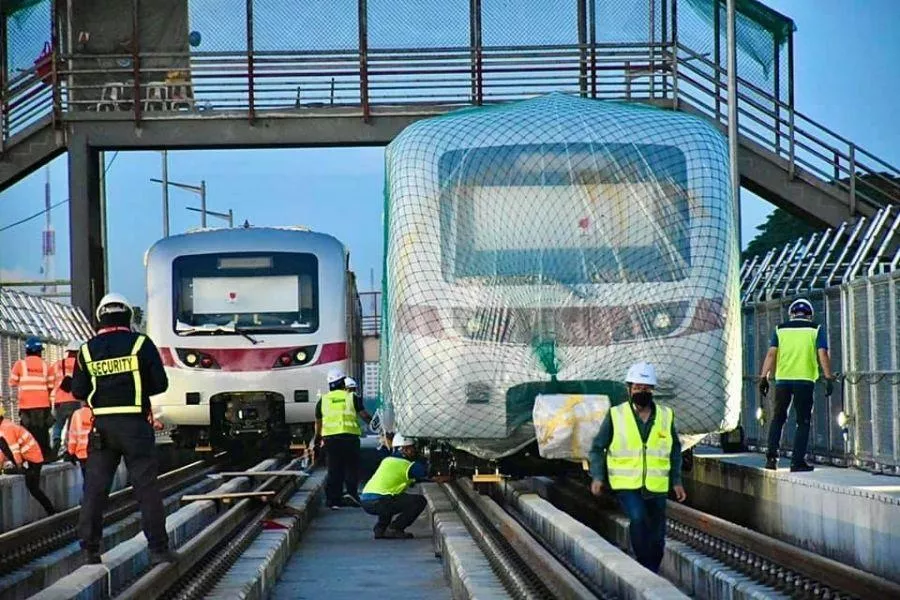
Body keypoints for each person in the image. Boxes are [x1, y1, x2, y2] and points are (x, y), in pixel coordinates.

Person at [70, 292, 173, 565]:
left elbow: (78, 389)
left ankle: (90, 550)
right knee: (146, 488)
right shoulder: (141, 343)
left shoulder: (86, 350)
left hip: (101, 428)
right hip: (135, 426)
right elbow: (160, 384)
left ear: (100, 318)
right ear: (128, 316)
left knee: (95, 489)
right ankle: (159, 550)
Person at [588, 361, 686, 574]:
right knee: (638, 518)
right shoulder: (616, 415)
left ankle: (653, 566)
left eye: (646, 388)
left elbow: (675, 450)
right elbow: (597, 447)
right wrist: (597, 476)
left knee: (658, 536)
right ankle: (645, 568)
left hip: (657, 486)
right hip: (626, 485)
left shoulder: (665, 416)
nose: (642, 392)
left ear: (652, 390)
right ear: (629, 389)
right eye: (637, 388)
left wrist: (676, 481)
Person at [758, 298, 834, 472]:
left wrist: (764, 377)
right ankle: (797, 461)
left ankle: (771, 458)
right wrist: (829, 377)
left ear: (791, 314)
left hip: (783, 381)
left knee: (778, 418)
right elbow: (822, 354)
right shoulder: (815, 329)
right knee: (803, 421)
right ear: (810, 315)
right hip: (805, 380)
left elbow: (771, 355)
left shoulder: (780, 330)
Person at [314, 368, 372, 509]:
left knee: (334, 469)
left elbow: (318, 423)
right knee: (351, 467)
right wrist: (375, 425)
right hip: (350, 438)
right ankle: (351, 494)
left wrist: (317, 439)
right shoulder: (351, 397)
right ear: (342, 382)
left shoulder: (323, 400)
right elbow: (364, 416)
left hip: (331, 440)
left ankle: (333, 501)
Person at [360, 433, 429, 539]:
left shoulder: (387, 460)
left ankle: (380, 529)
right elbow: (426, 472)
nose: (414, 451)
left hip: (366, 501)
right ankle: (395, 528)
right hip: (379, 501)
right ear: (404, 449)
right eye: (411, 448)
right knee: (419, 501)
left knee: (392, 498)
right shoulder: (405, 464)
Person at [0, 404, 56, 516]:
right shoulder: (4, 426)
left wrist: (19, 465)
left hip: (33, 459)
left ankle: (51, 512)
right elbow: (3, 451)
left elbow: (13, 448)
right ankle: (51, 512)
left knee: (34, 488)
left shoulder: (6, 428)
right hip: (31, 458)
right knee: (33, 487)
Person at [9, 336, 54, 459]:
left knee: (27, 432)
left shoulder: (20, 364)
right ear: (39, 351)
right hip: (43, 405)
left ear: (27, 350)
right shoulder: (46, 365)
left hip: (26, 405)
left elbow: (12, 382)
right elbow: (50, 385)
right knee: (43, 432)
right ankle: (44, 456)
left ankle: (29, 456)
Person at [50, 340, 83, 457]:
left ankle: (56, 443)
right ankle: (69, 449)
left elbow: (50, 381)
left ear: (68, 352)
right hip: (75, 401)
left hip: (59, 401)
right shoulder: (81, 365)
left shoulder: (58, 364)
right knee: (72, 427)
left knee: (58, 425)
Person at [62, 400, 93, 477]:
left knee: (87, 480)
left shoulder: (77, 414)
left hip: (82, 453)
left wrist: (70, 453)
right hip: (96, 452)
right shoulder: (96, 412)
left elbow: (73, 437)